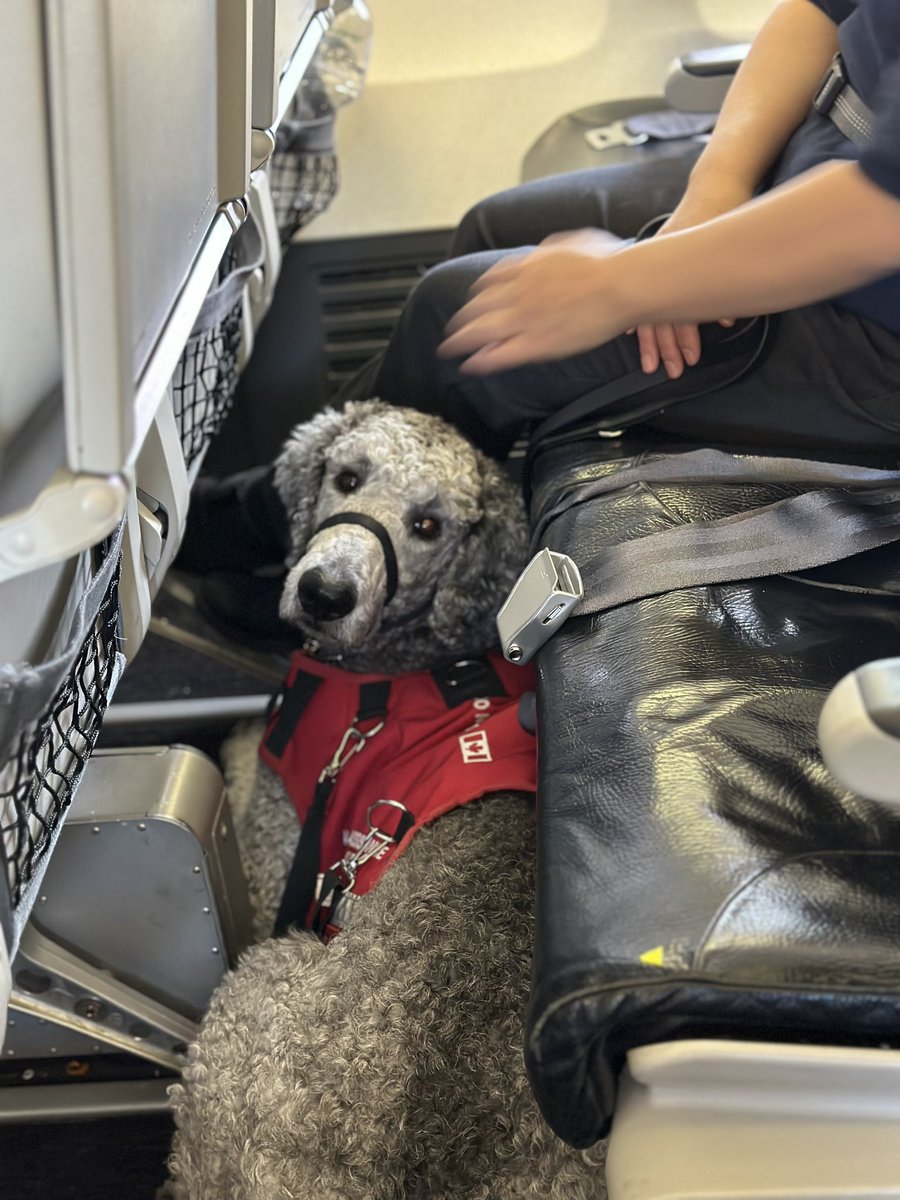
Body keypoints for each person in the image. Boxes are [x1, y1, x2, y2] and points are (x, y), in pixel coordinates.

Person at [179, 0, 900, 644]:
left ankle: (273, 536)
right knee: (493, 228)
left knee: (459, 314)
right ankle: (336, 540)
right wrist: (714, 189)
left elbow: (880, 215)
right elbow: (819, 10)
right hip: (826, 151)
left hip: (868, 307)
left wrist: (625, 284)